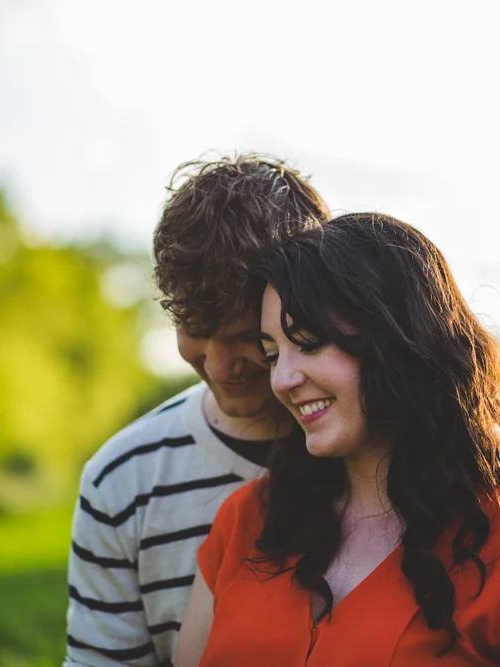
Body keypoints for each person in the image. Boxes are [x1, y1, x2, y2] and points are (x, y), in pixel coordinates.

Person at [175, 213, 500, 666]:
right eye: (273, 354)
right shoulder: (246, 522)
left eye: (310, 343)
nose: (283, 379)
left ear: (397, 342)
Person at [63, 155, 330, 667]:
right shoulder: (121, 481)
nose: (219, 364)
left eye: (246, 337)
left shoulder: (378, 454)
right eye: (194, 332)